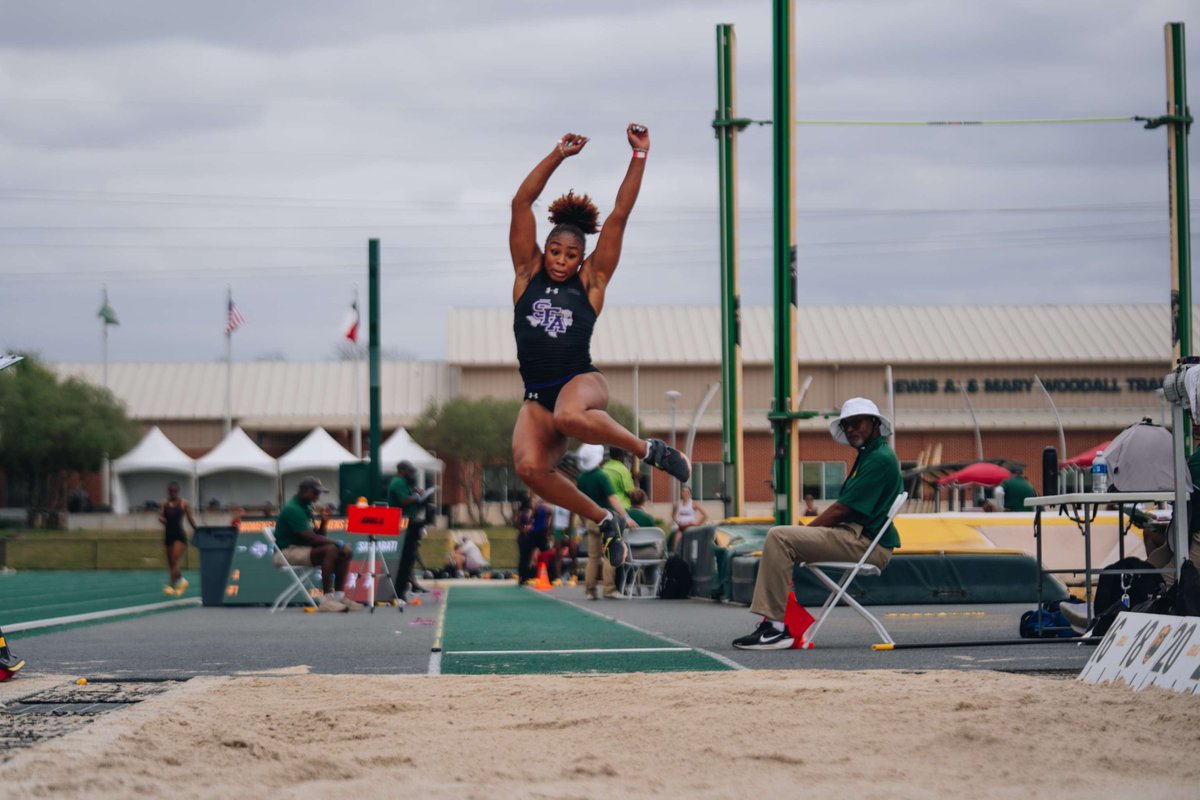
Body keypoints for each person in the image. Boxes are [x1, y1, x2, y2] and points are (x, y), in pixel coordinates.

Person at [509, 124, 691, 574]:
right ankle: (605, 520)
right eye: (555, 251)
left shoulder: (592, 282)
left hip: (581, 382)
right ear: (545, 249)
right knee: (530, 469)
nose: (560, 260)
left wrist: (639, 156)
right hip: (537, 395)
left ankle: (649, 450)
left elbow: (619, 216)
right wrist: (557, 155)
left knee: (569, 416)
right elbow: (520, 204)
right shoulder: (526, 274)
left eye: (570, 255)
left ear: (580, 259)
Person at [733, 397, 902, 649]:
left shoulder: (878, 458)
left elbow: (841, 510)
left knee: (780, 537)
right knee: (783, 538)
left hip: (866, 543)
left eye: (856, 422)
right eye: (847, 425)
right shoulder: (872, 455)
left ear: (875, 423)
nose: (851, 429)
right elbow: (844, 509)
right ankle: (777, 626)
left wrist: (805, 533)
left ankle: (776, 630)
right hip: (861, 539)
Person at [274, 476, 362, 612]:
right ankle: (326, 600)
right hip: (285, 552)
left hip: (302, 548)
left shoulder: (306, 507)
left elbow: (318, 537)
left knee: (344, 551)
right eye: (315, 492)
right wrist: (338, 542)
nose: (318, 496)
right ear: (304, 490)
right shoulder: (293, 509)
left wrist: (324, 523)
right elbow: (312, 538)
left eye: (319, 493)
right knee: (333, 549)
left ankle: (339, 596)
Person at [575, 444, 628, 600]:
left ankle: (590, 590)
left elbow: (578, 501)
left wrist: (584, 519)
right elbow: (612, 498)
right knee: (609, 555)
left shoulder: (581, 478)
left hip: (590, 519)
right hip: (606, 518)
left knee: (593, 557)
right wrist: (626, 516)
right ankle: (609, 589)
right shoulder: (601, 476)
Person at [387, 460, 430, 597]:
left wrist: (419, 494)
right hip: (402, 524)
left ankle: (408, 585)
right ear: (402, 470)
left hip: (410, 522)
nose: (411, 474)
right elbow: (403, 501)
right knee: (405, 557)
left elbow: (409, 497)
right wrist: (417, 497)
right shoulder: (398, 482)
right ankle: (400, 589)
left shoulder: (405, 483)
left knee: (410, 557)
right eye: (409, 471)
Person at [158, 481, 197, 596]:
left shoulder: (184, 503)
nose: (173, 493)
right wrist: (161, 519)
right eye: (171, 491)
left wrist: (196, 529)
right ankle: (182, 581)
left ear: (178, 492)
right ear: (168, 492)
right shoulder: (164, 504)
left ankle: (171, 585)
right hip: (168, 534)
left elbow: (190, 518)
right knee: (171, 563)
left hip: (179, 535)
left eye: (175, 491)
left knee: (175, 558)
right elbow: (161, 515)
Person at [670, 485, 708, 553]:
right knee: (676, 542)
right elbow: (673, 515)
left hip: (691, 527)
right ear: (681, 493)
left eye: (687, 492)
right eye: (683, 491)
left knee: (692, 543)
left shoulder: (694, 503)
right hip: (681, 527)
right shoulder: (678, 503)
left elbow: (705, 515)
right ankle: (675, 556)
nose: (685, 493)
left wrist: (698, 524)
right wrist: (677, 521)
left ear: (690, 494)